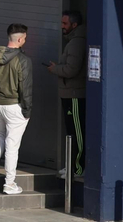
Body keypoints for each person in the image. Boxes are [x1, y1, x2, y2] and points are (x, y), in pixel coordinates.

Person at [0, 23, 34, 194]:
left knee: (2, 135)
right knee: (12, 145)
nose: (25, 41)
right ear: (20, 39)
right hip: (15, 105)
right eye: (25, 38)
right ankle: (9, 183)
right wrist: (27, 110)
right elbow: (25, 88)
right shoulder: (23, 60)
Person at [46, 9, 87, 179]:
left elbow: (71, 69)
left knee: (77, 133)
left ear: (74, 25)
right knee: (71, 132)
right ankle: (72, 166)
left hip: (75, 95)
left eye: (65, 24)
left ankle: (78, 168)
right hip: (69, 93)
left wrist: (55, 69)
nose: (62, 27)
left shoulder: (77, 43)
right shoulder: (72, 41)